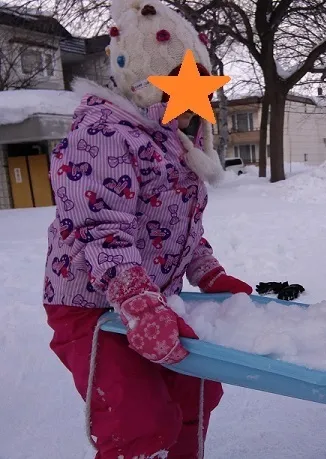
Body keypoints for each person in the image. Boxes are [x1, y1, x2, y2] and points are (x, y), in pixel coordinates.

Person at [42, 0, 252, 457]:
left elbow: (177, 228)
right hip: (90, 304)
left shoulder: (175, 142)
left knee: (198, 391)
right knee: (139, 420)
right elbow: (99, 227)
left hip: (153, 297)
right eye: (183, 81)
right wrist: (137, 302)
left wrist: (209, 272)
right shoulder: (102, 134)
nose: (200, 100)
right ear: (148, 83)